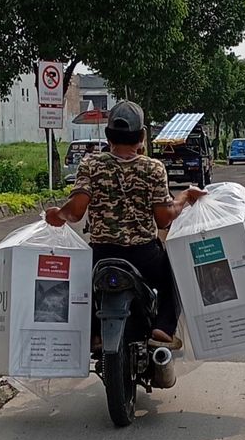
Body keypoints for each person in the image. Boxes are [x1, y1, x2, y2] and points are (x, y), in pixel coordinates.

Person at [46, 101, 205, 348]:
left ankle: (95, 334)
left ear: (109, 136)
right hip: (144, 255)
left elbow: (75, 212)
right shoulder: (153, 168)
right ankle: (163, 328)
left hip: (102, 254)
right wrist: (185, 196)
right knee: (172, 276)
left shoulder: (91, 164)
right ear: (142, 136)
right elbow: (164, 218)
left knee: (82, 287)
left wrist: (57, 214)